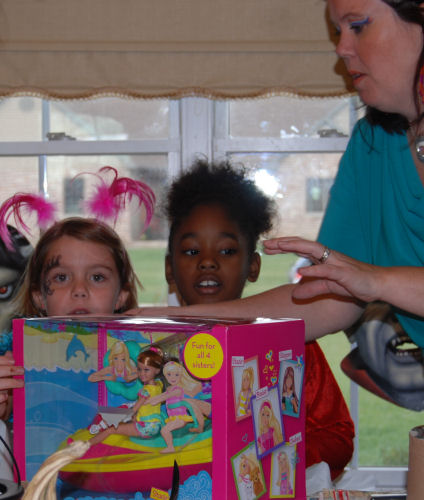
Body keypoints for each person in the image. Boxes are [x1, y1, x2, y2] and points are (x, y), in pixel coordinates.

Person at [128, 0, 424, 347]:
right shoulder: (372, 146)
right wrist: (174, 320)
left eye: (358, 26)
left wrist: (378, 281)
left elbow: (362, 283)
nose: (341, 48)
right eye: (337, 32)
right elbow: (329, 302)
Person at [161, 160, 354, 478]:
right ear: (170, 269)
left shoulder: (293, 343)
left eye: (226, 251)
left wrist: (273, 454)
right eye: (192, 251)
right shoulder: (153, 346)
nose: (208, 262)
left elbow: (338, 436)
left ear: (253, 266)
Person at [89, 346, 165, 446]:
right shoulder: (158, 384)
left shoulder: (146, 391)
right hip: (155, 424)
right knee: (125, 420)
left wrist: (116, 418)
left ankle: (85, 445)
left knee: (110, 430)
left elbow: (133, 410)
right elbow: (147, 407)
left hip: (146, 427)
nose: (142, 373)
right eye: (139, 369)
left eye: (146, 370)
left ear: (157, 370)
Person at [145, 360, 211, 453]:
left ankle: (170, 447)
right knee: (164, 429)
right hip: (173, 417)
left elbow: (165, 397)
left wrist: (155, 401)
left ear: (180, 376)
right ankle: (170, 446)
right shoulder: (169, 389)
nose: (173, 378)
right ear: (165, 375)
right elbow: (161, 395)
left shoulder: (178, 390)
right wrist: (147, 401)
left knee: (164, 430)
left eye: (176, 375)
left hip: (180, 418)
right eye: (169, 374)